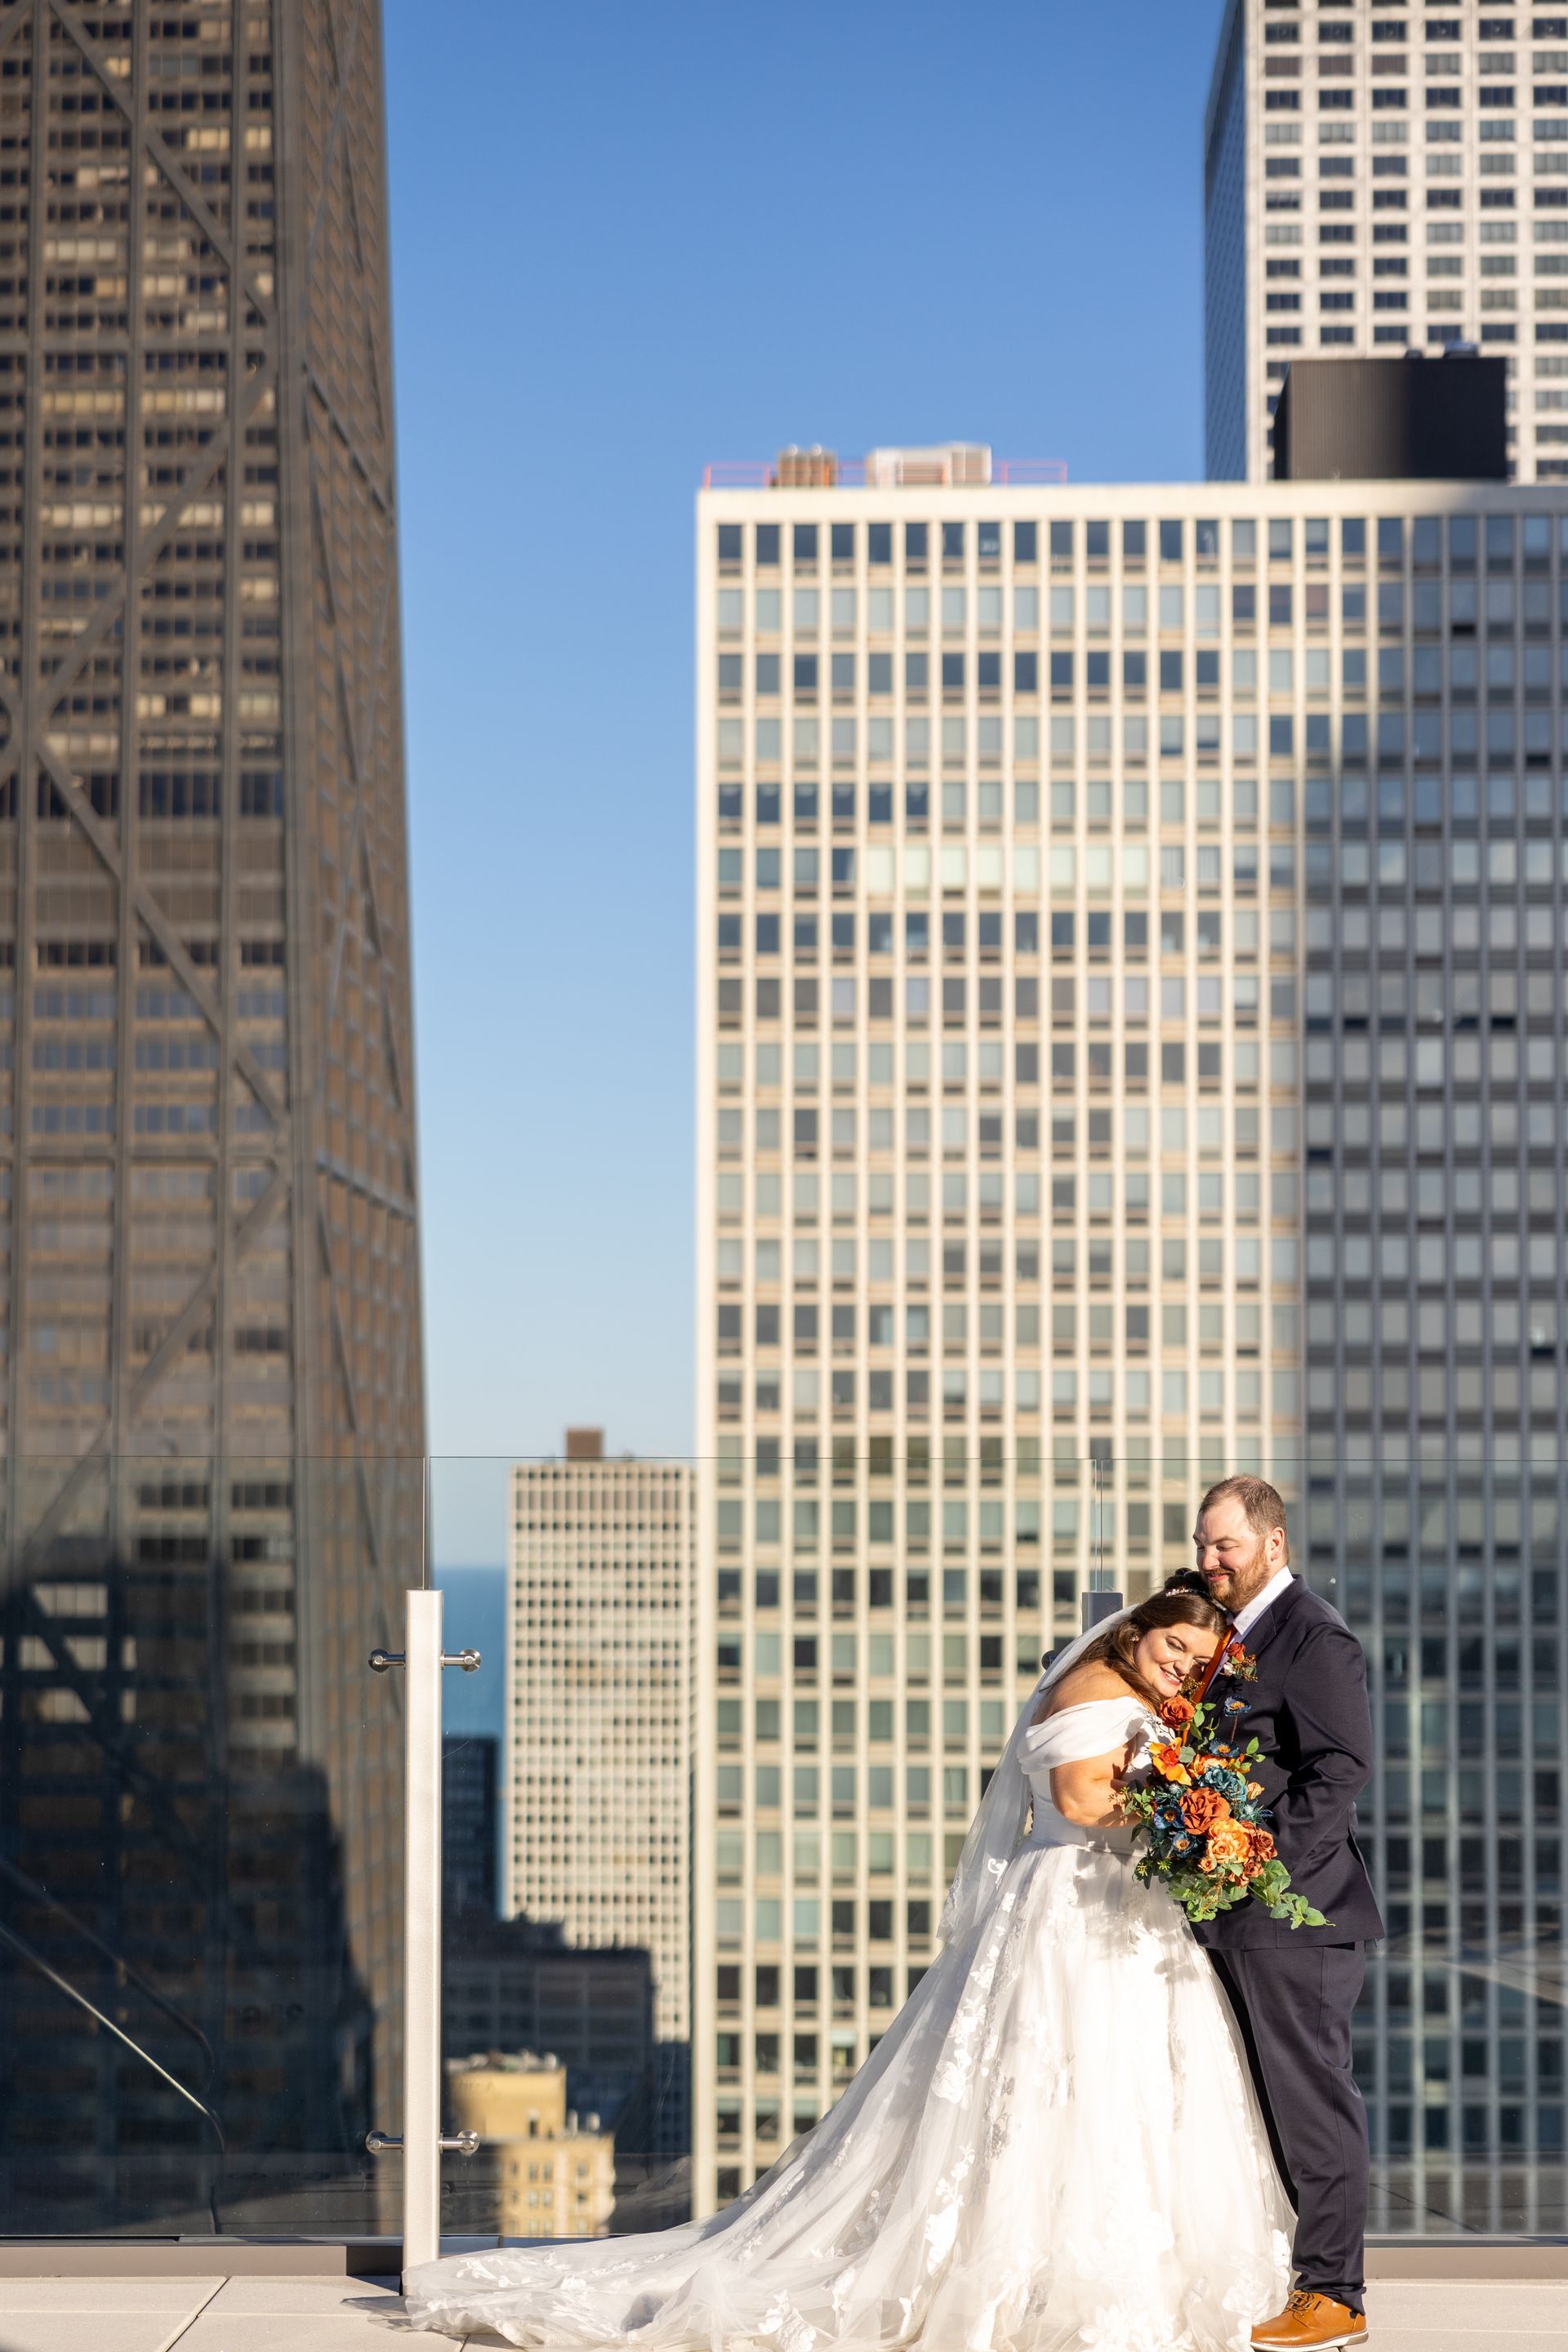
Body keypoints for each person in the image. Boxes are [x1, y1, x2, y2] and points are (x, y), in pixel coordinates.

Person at [402, 1581, 1293, 2351]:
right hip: (1071, 1908)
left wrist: (1193, 1809)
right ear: (1136, 1631)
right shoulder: (1095, 1687)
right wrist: (1192, 1813)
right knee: (1063, 2084)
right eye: (1177, 1647)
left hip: (1114, 1909)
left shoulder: (1128, 1687)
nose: (1183, 1667)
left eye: (1198, 1661)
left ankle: (1096, 2255)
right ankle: (1046, 2271)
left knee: (1118, 2091)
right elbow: (1078, 1799)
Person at [1189, 1477, 1383, 2352]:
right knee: (1261, 2112)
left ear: (1272, 1543)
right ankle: (1293, 2278)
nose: (1209, 1562)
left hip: (1295, 1917)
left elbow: (1341, 1770)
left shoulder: (1314, 1637)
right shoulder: (1234, 1637)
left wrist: (1257, 1863)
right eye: (1203, 1545)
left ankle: (1335, 2295)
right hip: (1237, 1917)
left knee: (1312, 2110)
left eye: (1224, 1546)